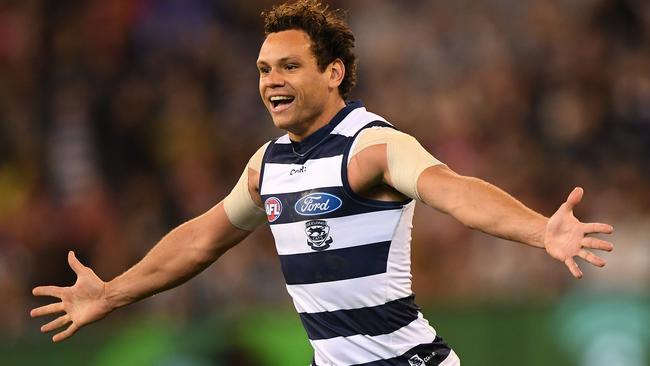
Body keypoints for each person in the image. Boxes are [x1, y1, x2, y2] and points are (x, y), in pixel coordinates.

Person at [30, 1, 614, 365]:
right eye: (263, 69)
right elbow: (202, 239)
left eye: (289, 66)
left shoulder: (373, 147)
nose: (271, 81)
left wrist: (541, 231)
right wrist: (112, 293)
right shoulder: (267, 165)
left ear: (333, 73)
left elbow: (453, 190)